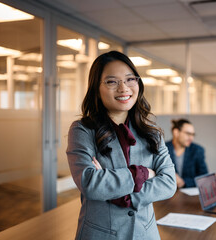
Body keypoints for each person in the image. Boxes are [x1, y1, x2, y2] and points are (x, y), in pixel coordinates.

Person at [66, 51, 177, 240]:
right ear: (96, 88)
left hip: (145, 233)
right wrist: (142, 173)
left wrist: (121, 196)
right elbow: (91, 183)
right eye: (111, 81)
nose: (123, 88)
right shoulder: (83, 130)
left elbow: (168, 183)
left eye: (130, 79)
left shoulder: (152, 133)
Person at [166, 119, 208, 188]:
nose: (191, 138)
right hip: (167, 194)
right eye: (188, 134)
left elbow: (204, 178)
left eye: (193, 135)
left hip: (190, 195)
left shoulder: (197, 150)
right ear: (176, 132)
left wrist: (183, 182)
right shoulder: (162, 149)